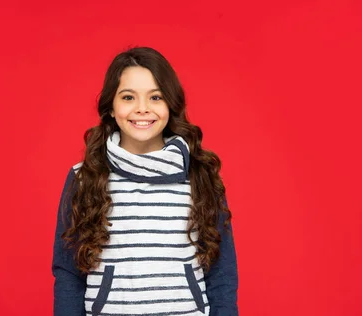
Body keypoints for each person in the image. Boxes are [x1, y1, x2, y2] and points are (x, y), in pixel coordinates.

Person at [52, 47, 238, 316]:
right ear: (112, 108)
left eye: (155, 97)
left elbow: (222, 273)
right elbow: (69, 272)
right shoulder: (85, 177)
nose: (142, 109)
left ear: (170, 104)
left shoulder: (200, 176)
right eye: (128, 97)